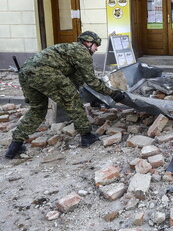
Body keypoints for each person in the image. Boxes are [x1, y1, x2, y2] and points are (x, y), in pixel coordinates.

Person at [4, 31, 126, 159]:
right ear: (88, 42)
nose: (97, 49)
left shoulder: (68, 49)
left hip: (25, 73)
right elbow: (92, 81)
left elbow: (77, 79)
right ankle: (86, 136)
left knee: (38, 109)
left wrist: (93, 98)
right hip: (46, 73)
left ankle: (15, 146)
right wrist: (112, 93)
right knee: (73, 102)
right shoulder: (82, 52)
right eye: (96, 45)